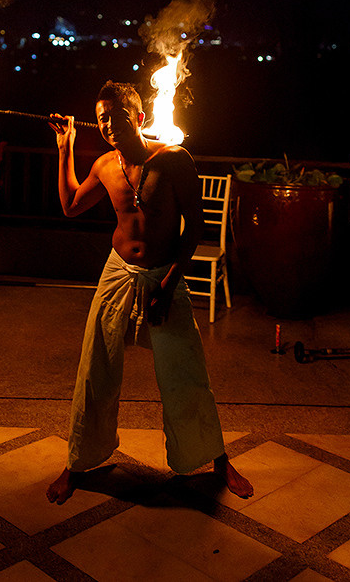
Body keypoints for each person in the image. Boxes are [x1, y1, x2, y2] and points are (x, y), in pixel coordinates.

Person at [46, 80, 253, 505]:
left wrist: (169, 283)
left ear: (139, 118)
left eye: (117, 118)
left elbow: (194, 229)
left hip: (164, 273)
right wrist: (65, 146)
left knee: (186, 370)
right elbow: (69, 206)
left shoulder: (175, 161)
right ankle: (77, 461)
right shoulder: (104, 165)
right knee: (94, 368)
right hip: (117, 272)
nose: (107, 126)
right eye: (102, 119)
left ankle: (217, 458)